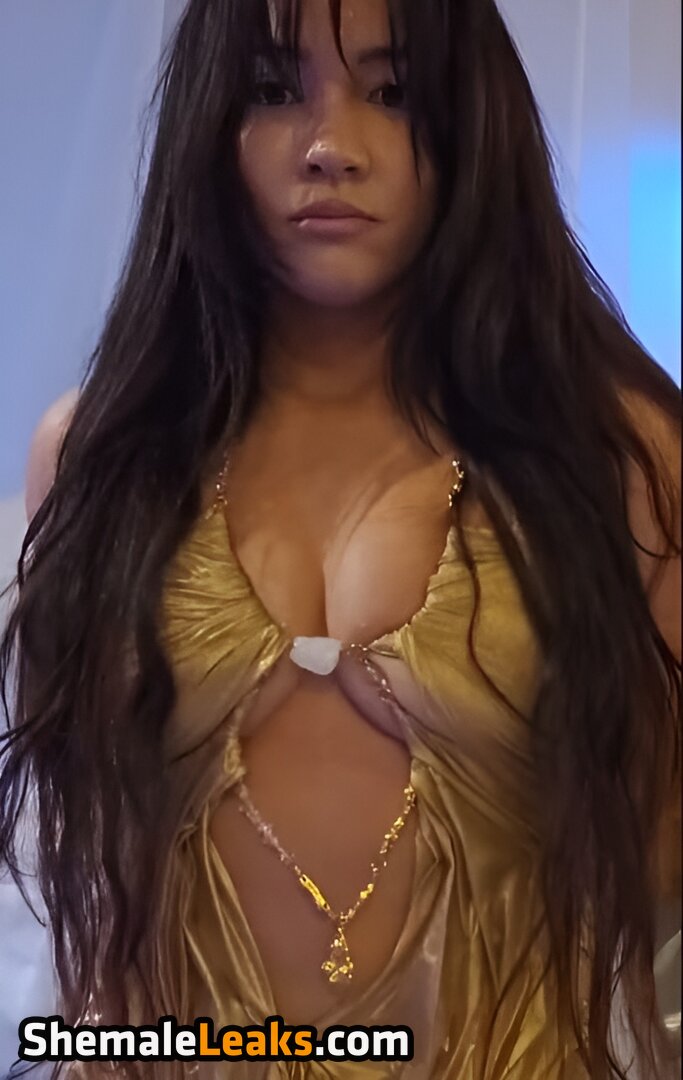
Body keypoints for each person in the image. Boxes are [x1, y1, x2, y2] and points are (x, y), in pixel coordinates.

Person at [0, 0, 680, 1077]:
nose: (330, 147)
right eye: (273, 91)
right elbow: (92, 890)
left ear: (472, 120)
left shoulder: (620, 460)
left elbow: (658, 858)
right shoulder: (96, 460)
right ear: (206, 123)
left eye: (393, 92)